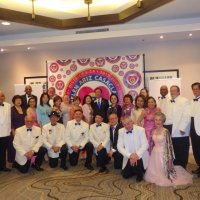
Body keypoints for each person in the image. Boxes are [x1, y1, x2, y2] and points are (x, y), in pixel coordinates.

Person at [145, 112, 193, 186]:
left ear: (163, 121)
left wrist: (170, 160)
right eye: (156, 120)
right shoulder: (153, 131)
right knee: (154, 170)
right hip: (155, 153)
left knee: (166, 174)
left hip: (163, 154)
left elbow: (169, 146)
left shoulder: (166, 131)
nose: (157, 122)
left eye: (160, 120)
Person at [164, 85, 190, 169]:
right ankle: (174, 165)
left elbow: (186, 115)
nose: (172, 92)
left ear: (179, 92)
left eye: (174, 90)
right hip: (168, 127)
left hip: (179, 128)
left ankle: (182, 166)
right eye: (171, 91)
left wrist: (183, 128)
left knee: (181, 148)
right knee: (172, 147)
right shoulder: (168, 101)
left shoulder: (184, 101)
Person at [117, 116, 149, 182]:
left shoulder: (140, 130)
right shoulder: (121, 131)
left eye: (128, 123)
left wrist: (136, 155)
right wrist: (130, 155)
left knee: (139, 174)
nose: (127, 126)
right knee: (125, 175)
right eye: (124, 124)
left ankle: (139, 173)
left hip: (140, 155)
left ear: (132, 122)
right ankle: (135, 169)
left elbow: (145, 145)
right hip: (128, 155)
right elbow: (119, 147)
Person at [9, 95, 26, 163]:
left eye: (20, 100)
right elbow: (10, 121)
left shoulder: (24, 109)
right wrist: (13, 131)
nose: (19, 101)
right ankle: (13, 161)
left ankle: (20, 159)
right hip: (15, 131)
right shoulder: (11, 109)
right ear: (14, 101)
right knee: (14, 146)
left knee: (22, 145)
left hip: (23, 131)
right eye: (17, 100)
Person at [190, 82, 200, 176]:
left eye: (197, 89)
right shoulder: (192, 101)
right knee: (195, 149)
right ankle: (199, 166)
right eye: (193, 89)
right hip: (193, 128)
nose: (195, 91)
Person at [0, 91, 11, 172]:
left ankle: (3, 166)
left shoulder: (8, 105)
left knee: (3, 151)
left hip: (6, 132)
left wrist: (10, 130)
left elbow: (9, 119)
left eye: (2, 96)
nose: (1, 97)